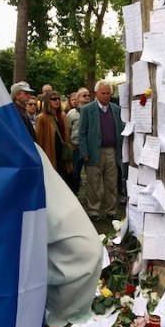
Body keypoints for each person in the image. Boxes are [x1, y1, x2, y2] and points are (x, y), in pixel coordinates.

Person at [78, 79, 124, 222]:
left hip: (112, 152)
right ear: (96, 93)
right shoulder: (87, 109)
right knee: (93, 184)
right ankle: (93, 211)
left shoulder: (116, 109)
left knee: (111, 183)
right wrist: (84, 152)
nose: (106, 96)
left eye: (108, 93)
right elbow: (82, 132)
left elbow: (121, 130)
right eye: (103, 93)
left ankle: (111, 210)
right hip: (93, 152)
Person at [35, 90, 73, 185]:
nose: (57, 101)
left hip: (63, 153)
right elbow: (39, 140)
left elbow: (66, 136)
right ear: (48, 101)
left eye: (58, 99)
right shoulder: (42, 118)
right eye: (53, 99)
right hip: (50, 153)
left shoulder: (62, 116)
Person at [66, 90, 83, 193]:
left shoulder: (91, 111)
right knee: (75, 172)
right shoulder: (71, 114)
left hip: (89, 148)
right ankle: (74, 192)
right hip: (76, 148)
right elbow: (67, 130)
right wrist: (70, 145)